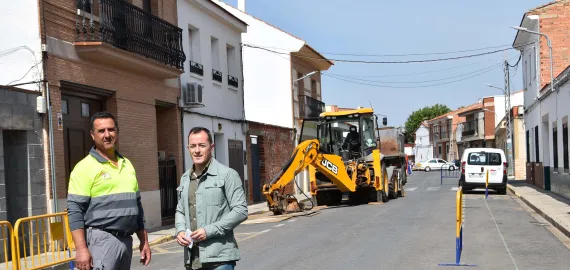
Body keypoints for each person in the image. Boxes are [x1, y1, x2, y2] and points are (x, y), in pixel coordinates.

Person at [67, 112, 151, 270]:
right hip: (101, 240)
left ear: (117, 132)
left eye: (111, 130)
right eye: (101, 131)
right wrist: (81, 249)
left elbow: (137, 206)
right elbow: (75, 210)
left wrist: (144, 241)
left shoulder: (127, 165)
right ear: (92, 135)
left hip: (126, 240)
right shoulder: (84, 168)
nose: (107, 135)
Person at [175, 127, 248, 270]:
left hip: (220, 260)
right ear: (188, 148)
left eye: (202, 145)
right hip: (193, 260)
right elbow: (180, 210)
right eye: (193, 146)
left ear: (211, 147)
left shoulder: (227, 175)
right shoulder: (185, 178)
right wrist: (180, 230)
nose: (197, 150)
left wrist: (209, 231)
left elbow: (241, 210)